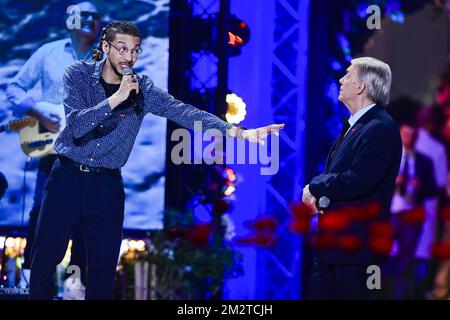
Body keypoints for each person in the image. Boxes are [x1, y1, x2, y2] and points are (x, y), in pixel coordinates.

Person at [29, 20, 284, 300]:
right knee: (43, 260)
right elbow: (76, 126)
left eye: (135, 50)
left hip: (107, 186)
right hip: (67, 178)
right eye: (122, 48)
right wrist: (116, 98)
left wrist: (238, 132)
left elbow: (186, 113)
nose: (129, 57)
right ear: (105, 47)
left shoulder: (144, 89)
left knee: (101, 271)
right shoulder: (77, 74)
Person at [5, 1, 101, 296]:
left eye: (94, 17)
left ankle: (77, 285)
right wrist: (39, 114)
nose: (88, 20)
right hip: (50, 149)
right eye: (83, 15)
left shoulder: (105, 61)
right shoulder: (48, 53)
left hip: (88, 152)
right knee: (41, 210)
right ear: (70, 20)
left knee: (86, 216)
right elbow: (15, 89)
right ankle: (30, 277)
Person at [302, 57, 402, 299]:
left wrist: (315, 186)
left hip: (357, 251)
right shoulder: (359, 126)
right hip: (334, 248)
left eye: (347, 75)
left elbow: (358, 180)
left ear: (360, 87)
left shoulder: (380, 128)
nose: (341, 79)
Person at [389, 117, 437, 299]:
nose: (407, 137)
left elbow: (432, 190)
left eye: (411, 134)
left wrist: (420, 185)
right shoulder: (388, 158)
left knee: (405, 260)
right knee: (378, 256)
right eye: (404, 133)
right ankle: (375, 291)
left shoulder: (424, 162)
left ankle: (400, 296)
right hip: (390, 213)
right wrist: (393, 182)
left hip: (410, 216)